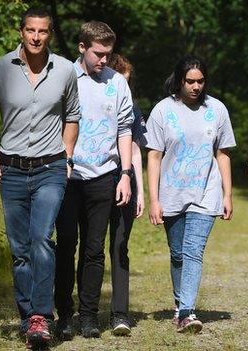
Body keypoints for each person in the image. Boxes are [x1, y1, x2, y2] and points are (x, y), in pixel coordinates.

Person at [0, 7, 80, 349]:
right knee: (20, 251)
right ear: (21, 31)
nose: (36, 37)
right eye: (30, 30)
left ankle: (41, 316)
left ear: (50, 33)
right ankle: (27, 316)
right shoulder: (2, 68)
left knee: (41, 239)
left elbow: (73, 116)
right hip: (12, 170)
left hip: (50, 168)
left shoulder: (65, 70)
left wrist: (68, 156)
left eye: (42, 31)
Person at [53, 21, 133, 340]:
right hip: (68, 176)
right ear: (82, 48)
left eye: (108, 54)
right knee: (66, 246)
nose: (104, 60)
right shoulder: (63, 77)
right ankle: (64, 314)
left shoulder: (117, 83)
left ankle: (89, 316)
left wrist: (125, 173)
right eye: (99, 54)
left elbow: (125, 128)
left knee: (94, 249)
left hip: (104, 175)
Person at [145, 55, 236, 334]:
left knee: (193, 251)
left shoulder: (217, 109)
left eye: (200, 81)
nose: (196, 87)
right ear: (179, 80)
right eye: (190, 81)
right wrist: (154, 199)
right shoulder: (163, 110)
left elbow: (222, 154)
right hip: (171, 193)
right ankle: (179, 304)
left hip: (206, 193)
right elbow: (154, 156)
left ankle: (187, 311)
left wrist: (227, 194)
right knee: (178, 254)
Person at [104, 52, 147, 335]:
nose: (125, 90)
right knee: (90, 249)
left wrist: (141, 190)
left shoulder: (133, 109)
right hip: (93, 180)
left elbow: (135, 150)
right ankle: (84, 310)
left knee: (120, 247)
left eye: (128, 84)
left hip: (126, 183)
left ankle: (120, 313)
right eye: (121, 83)